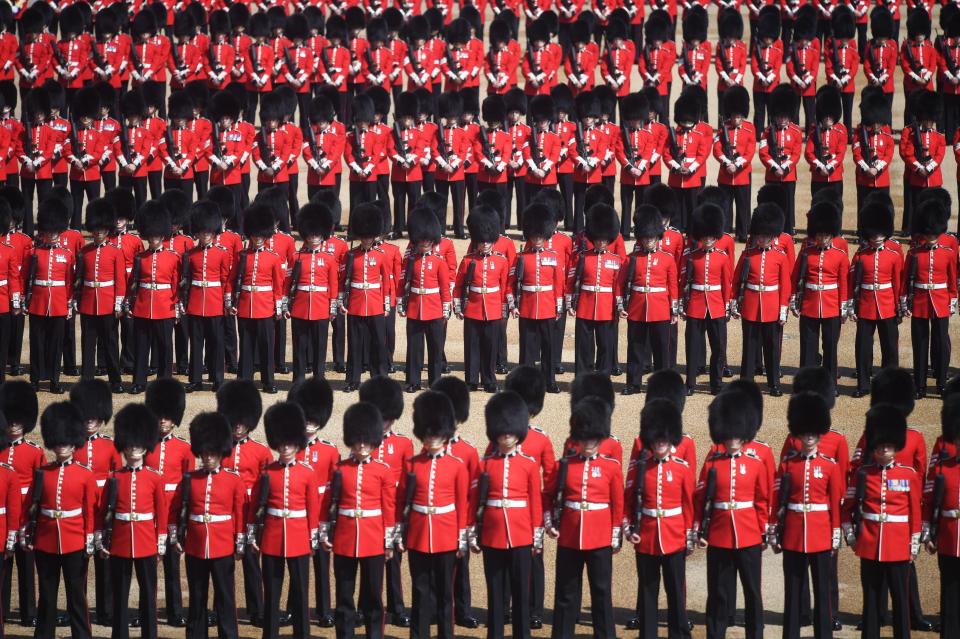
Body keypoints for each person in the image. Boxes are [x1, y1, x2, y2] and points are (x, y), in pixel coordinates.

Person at [545, 396, 622, 639]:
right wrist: (549, 521)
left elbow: (617, 503)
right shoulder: (564, 465)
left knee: (601, 592)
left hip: (599, 538)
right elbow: (547, 494)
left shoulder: (611, 467)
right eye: (585, 437)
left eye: (593, 438)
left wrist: (615, 533)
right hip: (569, 535)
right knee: (566, 593)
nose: (588, 443)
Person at [695, 389, 770, 639]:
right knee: (718, 593)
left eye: (738, 434)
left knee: (752, 592)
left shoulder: (755, 464)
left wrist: (762, 530)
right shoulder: (712, 463)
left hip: (748, 535)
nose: (733, 439)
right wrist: (699, 529)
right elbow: (701, 499)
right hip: (718, 536)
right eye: (730, 434)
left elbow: (761, 501)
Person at [842, 406, 922, 639]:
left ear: (895, 448)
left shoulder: (908, 475)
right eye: (879, 446)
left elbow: (915, 513)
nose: (883, 450)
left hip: (898, 546)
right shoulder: (863, 474)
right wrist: (851, 537)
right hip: (869, 543)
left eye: (887, 446)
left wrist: (913, 543)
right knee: (871, 600)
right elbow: (846, 509)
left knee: (900, 601)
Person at [769, 392, 843, 639]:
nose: (809, 438)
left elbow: (834, 503)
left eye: (813, 433)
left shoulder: (830, 465)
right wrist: (775, 530)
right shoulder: (788, 465)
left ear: (819, 434)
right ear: (798, 435)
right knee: (793, 591)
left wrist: (835, 534)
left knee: (822, 591)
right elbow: (778, 501)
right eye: (805, 433)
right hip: (793, 534)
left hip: (821, 535)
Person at [320, 401, 396, 639]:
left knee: (373, 595)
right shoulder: (340, 469)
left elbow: (388, 507)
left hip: (373, 539)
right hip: (345, 538)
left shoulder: (383, 470)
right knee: (344, 596)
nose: (362, 445)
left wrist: (388, 541)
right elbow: (329, 504)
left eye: (367, 440)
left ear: (374, 440)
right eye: (358, 440)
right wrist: (325, 532)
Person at [396, 391, 468, 639]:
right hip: (418, 534)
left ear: (445, 433)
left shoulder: (457, 465)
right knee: (420, 590)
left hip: (447, 535)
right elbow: (402, 501)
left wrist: (462, 537)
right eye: (429, 433)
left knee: (445, 592)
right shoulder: (412, 464)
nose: (433, 438)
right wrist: (400, 531)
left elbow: (461, 502)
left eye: (437, 433)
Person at [170, 411, 245, 639]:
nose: (208, 457)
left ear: (221, 453)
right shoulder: (190, 478)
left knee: (224, 596)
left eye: (213, 453)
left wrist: (239, 540)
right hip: (195, 544)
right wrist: (175, 536)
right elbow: (176, 510)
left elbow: (239, 512)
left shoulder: (233, 479)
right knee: (197, 596)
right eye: (205, 453)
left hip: (222, 546)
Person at [475, 391, 544, 639]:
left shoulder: (527, 463)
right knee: (495, 592)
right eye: (502, 431)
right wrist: (474, 530)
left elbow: (535, 500)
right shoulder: (487, 463)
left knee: (521, 592)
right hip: (493, 535)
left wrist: (537, 534)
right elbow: (477, 500)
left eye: (511, 431)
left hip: (521, 535)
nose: (506, 435)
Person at [624, 399, 694, 639]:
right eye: (656, 439)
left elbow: (688, 504)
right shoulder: (640, 467)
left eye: (664, 439)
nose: (660, 443)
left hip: (674, 537)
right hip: (646, 536)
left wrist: (689, 535)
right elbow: (629, 499)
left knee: (675, 592)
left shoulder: (682, 468)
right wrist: (628, 527)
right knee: (648, 592)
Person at [248, 402, 319, 639]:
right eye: (281, 443)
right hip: (272, 537)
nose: (286, 447)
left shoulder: (307, 472)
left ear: (297, 443)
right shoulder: (267, 472)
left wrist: (313, 537)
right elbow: (257, 507)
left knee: (300, 592)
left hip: (299, 538)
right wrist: (252, 535)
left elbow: (312, 508)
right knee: (273, 592)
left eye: (290, 443)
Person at [28, 401, 97, 639]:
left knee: (76, 595)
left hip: (75, 542)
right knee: (47, 595)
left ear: (74, 441)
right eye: (58, 442)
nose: (62, 447)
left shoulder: (85, 474)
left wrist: (89, 538)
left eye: (66, 442)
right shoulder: (43, 473)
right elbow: (33, 508)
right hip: (46, 541)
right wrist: (30, 534)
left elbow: (89, 509)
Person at [99, 402, 164, 639]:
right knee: (120, 594)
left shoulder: (154, 478)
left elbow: (161, 514)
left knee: (148, 593)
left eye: (138, 445)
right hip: (120, 541)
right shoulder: (114, 477)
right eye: (130, 445)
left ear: (146, 448)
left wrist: (160, 542)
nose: (134, 449)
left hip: (146, 541)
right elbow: (105, 512)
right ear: (124, 448)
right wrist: (103, 541)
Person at [215, 380, 273, 628]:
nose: (238, 427)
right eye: (234, 421)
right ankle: (222, 611)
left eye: (242, 422)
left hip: (250, 512)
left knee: (252, 562)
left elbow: (267, 485)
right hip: (226, 511)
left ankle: (257, 609)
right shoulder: (220, 448)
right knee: (222, 566)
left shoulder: (261, 451)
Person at [359, 376, 413, 627]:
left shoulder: (403, 444)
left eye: (386, 417)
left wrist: (403, 515)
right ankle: (365, 606)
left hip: (394, 510)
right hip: (369, 511)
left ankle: (396, 606)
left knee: (394, 562)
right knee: (366, 561)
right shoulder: (362, 443)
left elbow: (407, 481)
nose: (382, 421)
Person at [289, 378, 339, 628]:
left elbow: (334, 489)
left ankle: (324, 609)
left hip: (320, 515)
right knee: (296, 567)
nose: (309, 424)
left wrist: (329, 521)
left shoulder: (329, 451)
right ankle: (293, 608)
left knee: (321, 565)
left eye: (313, 419)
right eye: (306, 419)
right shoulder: (291, 449)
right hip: (297, 516)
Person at [731, 203, 791, 395]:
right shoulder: (747, 254)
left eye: (766, 235)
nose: (762, 239)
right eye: (760, 235)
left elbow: (785, 285)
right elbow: (736, 279)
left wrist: (783, 308)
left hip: (772, 306)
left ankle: (773, 383)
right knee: (749, 346)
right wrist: (733, 302)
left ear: (773, 235)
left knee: (771, 348)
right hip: (750, 304)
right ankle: (746, 382)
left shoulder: (780, 257)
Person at [619, 205, 678, 394]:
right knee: (636, 348)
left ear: (657, 237)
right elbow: (620, 284)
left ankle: (661, 385)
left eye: (651, 238)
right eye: (645, 238)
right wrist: (621, 305)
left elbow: (672, 286)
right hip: (637, 307)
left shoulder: (667, 259)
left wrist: (674, 310)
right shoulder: (631, 259)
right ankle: (633, 383)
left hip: (660, 308)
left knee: (661, 350)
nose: (648, 241)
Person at [902, 200, 957, 398]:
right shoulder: (914, 253)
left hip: (941, 300)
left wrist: (952, 299)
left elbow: (952, 279)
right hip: (919, 301)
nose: (931, 238)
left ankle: (942, 383)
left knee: (941, 343)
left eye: (934, 234)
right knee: (920, 344)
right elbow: (905, 279)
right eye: (928, 234)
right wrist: (904, 300)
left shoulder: (948, 253)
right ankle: (920, 385)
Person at [848, 202, 902, 397]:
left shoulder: (894, 255)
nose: (877, 237)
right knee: (863, 347)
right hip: (865, 305)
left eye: (880, 233)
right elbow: (852, 282)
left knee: (890, 348)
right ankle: (863, 383)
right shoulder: (860, 255)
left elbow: (897, 282)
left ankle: (890, 385)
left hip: (887, 305)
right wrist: (852, 306)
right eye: (873, 233)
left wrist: (899, 304)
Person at [792, 202, 849, 384]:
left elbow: (843, 282)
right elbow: (795, 277)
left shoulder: (840, 254)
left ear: (831, 235)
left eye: (826, 235)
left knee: (830, 347)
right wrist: (794, 299)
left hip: (831, 306)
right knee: (808, 347)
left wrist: (844, 306)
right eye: (819, 235)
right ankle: (806, 383)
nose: (823, 238)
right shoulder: (807, 252)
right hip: (810, 304)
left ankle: (831, 383)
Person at [454, 208, 509, 392]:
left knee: (491, 346)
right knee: (472, 346)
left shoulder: (501, 260)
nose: (484, 244)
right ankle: (471, 379)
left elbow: (505, 286)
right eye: (481, 241)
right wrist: (458, 306)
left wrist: (504, 308)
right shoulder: (468, 260)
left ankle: (489, 379)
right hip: (472, 307)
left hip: (492, 308)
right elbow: (458, 285)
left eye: (488, 241)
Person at [0, 381, 42, 627]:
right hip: (6, 518)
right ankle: (2, 611)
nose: (14, 426)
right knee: (5, 569)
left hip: (26, 516)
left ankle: (29, 612)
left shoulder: (34, 452)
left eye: (18, 422)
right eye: (11, 421)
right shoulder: (1, 451)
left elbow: (38, 488)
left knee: (27, 568)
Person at [340, 203, 394, 392]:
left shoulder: (381, 255)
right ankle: (352, 379)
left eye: (369, 237)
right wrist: (342, 301)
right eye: (364, 237)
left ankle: (378, 377)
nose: (366, 240)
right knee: (354, 344)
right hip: (355, 304)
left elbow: (387, 281)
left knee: (378, 343)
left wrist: (386, 303)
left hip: (375, 304)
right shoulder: (351, 255)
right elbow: (344, 280)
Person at [510, 203, 563, 392]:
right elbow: (513, 283)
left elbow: (558, 283)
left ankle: (550, 381)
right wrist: (513, 304)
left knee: (548, 348)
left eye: (540, 236)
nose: (537, 239)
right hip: (527, 306)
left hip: (548, 307)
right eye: (534, 236)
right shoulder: (521, 257)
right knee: (527, 349)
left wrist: (558, 306)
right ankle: (526, 384)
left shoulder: (553, 256)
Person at [287, 202, 340, 385]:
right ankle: (298, 378)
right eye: (311, 234)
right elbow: (289, 283)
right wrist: (287, 304)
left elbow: (333, 285)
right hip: (301, 306)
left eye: (317, 234)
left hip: (321, 307)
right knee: (299, 346)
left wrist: (332, 307)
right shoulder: (296, 257)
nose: (314, 238)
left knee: (320, 346)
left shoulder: (329, 259)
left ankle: (319, 378)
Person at [681, 204, 731, 395]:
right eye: (705, 236)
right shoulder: (692, 257)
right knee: (693, 346)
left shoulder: (723, 257)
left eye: (711, 236)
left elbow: (727, 283)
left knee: (718, 347)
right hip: (695, 304)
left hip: (717, 305)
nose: (708, 240)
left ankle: (716, 384)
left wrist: (727, 305)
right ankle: (690, 383)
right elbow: (684, 281)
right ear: (700, 236)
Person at [27, 198, 76, 394]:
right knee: (36, 343)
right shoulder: (35, 252)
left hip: (57, 303)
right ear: (45, 233)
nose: (54, 235)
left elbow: (69, 282)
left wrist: (69, 304)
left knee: (56, 345)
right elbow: (26, 278)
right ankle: (35, 379)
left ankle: (55, 380)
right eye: (50, 232)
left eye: (56, 232)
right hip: (38, 302)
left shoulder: (67, 254)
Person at [399, 209, 451, 391]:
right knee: (415, 349)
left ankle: (434, 381)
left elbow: (445, 288)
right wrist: (400, 301)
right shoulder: (411, 260)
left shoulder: (439, 261)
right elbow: (403, 281)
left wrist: (446, 309)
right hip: (414, 308)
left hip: (434, 309)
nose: (425, 243)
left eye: (428, 240)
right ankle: (413, 381)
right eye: (422, 240)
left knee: (435, 350)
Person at [568, 204, 622, 376]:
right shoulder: (583, 257)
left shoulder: (615, 260)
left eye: (604, 240)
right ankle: (583, 375)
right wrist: (570, 302)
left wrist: (620, 305)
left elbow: (618, 285)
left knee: (606, 344)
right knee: (584, 345)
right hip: (585, 304)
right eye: (598, 239)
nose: (600, 242)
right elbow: (572, 281)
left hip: (606, 307)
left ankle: (604, 375)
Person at [77, 197, 125, 391]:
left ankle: (115, 380)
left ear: (107, 229)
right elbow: (79, 279)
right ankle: (87, 380)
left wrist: (118, 303)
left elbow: (120, 280)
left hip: (107, 303)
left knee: (111, 343)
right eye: (96, 229)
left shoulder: (115, 252)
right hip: (89, 302)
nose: (98, 232)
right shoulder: (85, 251)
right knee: (88, 344)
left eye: (102, 229)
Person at [922, 394, 960, 637]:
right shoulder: (944, 459)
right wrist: (929, 529)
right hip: (948, 532)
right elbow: (931, 493)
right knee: (949, 589)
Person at [714, 86, 756, 241]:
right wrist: (726, 162)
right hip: (725, 174)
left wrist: (737, 164)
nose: (736, 119)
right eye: (733, 116)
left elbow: (750, 151)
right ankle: (725, 232)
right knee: (725, 205)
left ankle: (742, 233)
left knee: (743, 205)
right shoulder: (722, 129)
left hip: (742, 174)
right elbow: (717, 149)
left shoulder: (750, 128)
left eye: (738, 116)